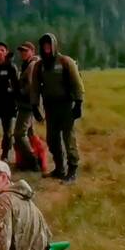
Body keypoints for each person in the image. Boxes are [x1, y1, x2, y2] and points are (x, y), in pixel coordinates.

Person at [31, 33, 84, 183]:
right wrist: (35, 105)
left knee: (68, 139)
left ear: (54, 45)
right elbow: (35, 87)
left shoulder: (65, 61)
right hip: (50, 107)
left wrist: (78, 103)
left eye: (49, 44)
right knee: (52, 139)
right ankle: (59, 169)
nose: (47, 47)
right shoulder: (39, 66)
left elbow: (77, 83)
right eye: (44, 45)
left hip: (66, 106)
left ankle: (72, 170)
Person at [13, 41, 45, 171]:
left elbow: (32, 86)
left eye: (26, 51)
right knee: (30, 133)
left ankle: (33, 161)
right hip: (27, 104)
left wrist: (20, 92)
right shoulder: (28, 64)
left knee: (19, 134)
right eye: (21, 51)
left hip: (28, 104)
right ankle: (36, 159)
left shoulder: (32, 65)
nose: (23, 53)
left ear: (32, 51)